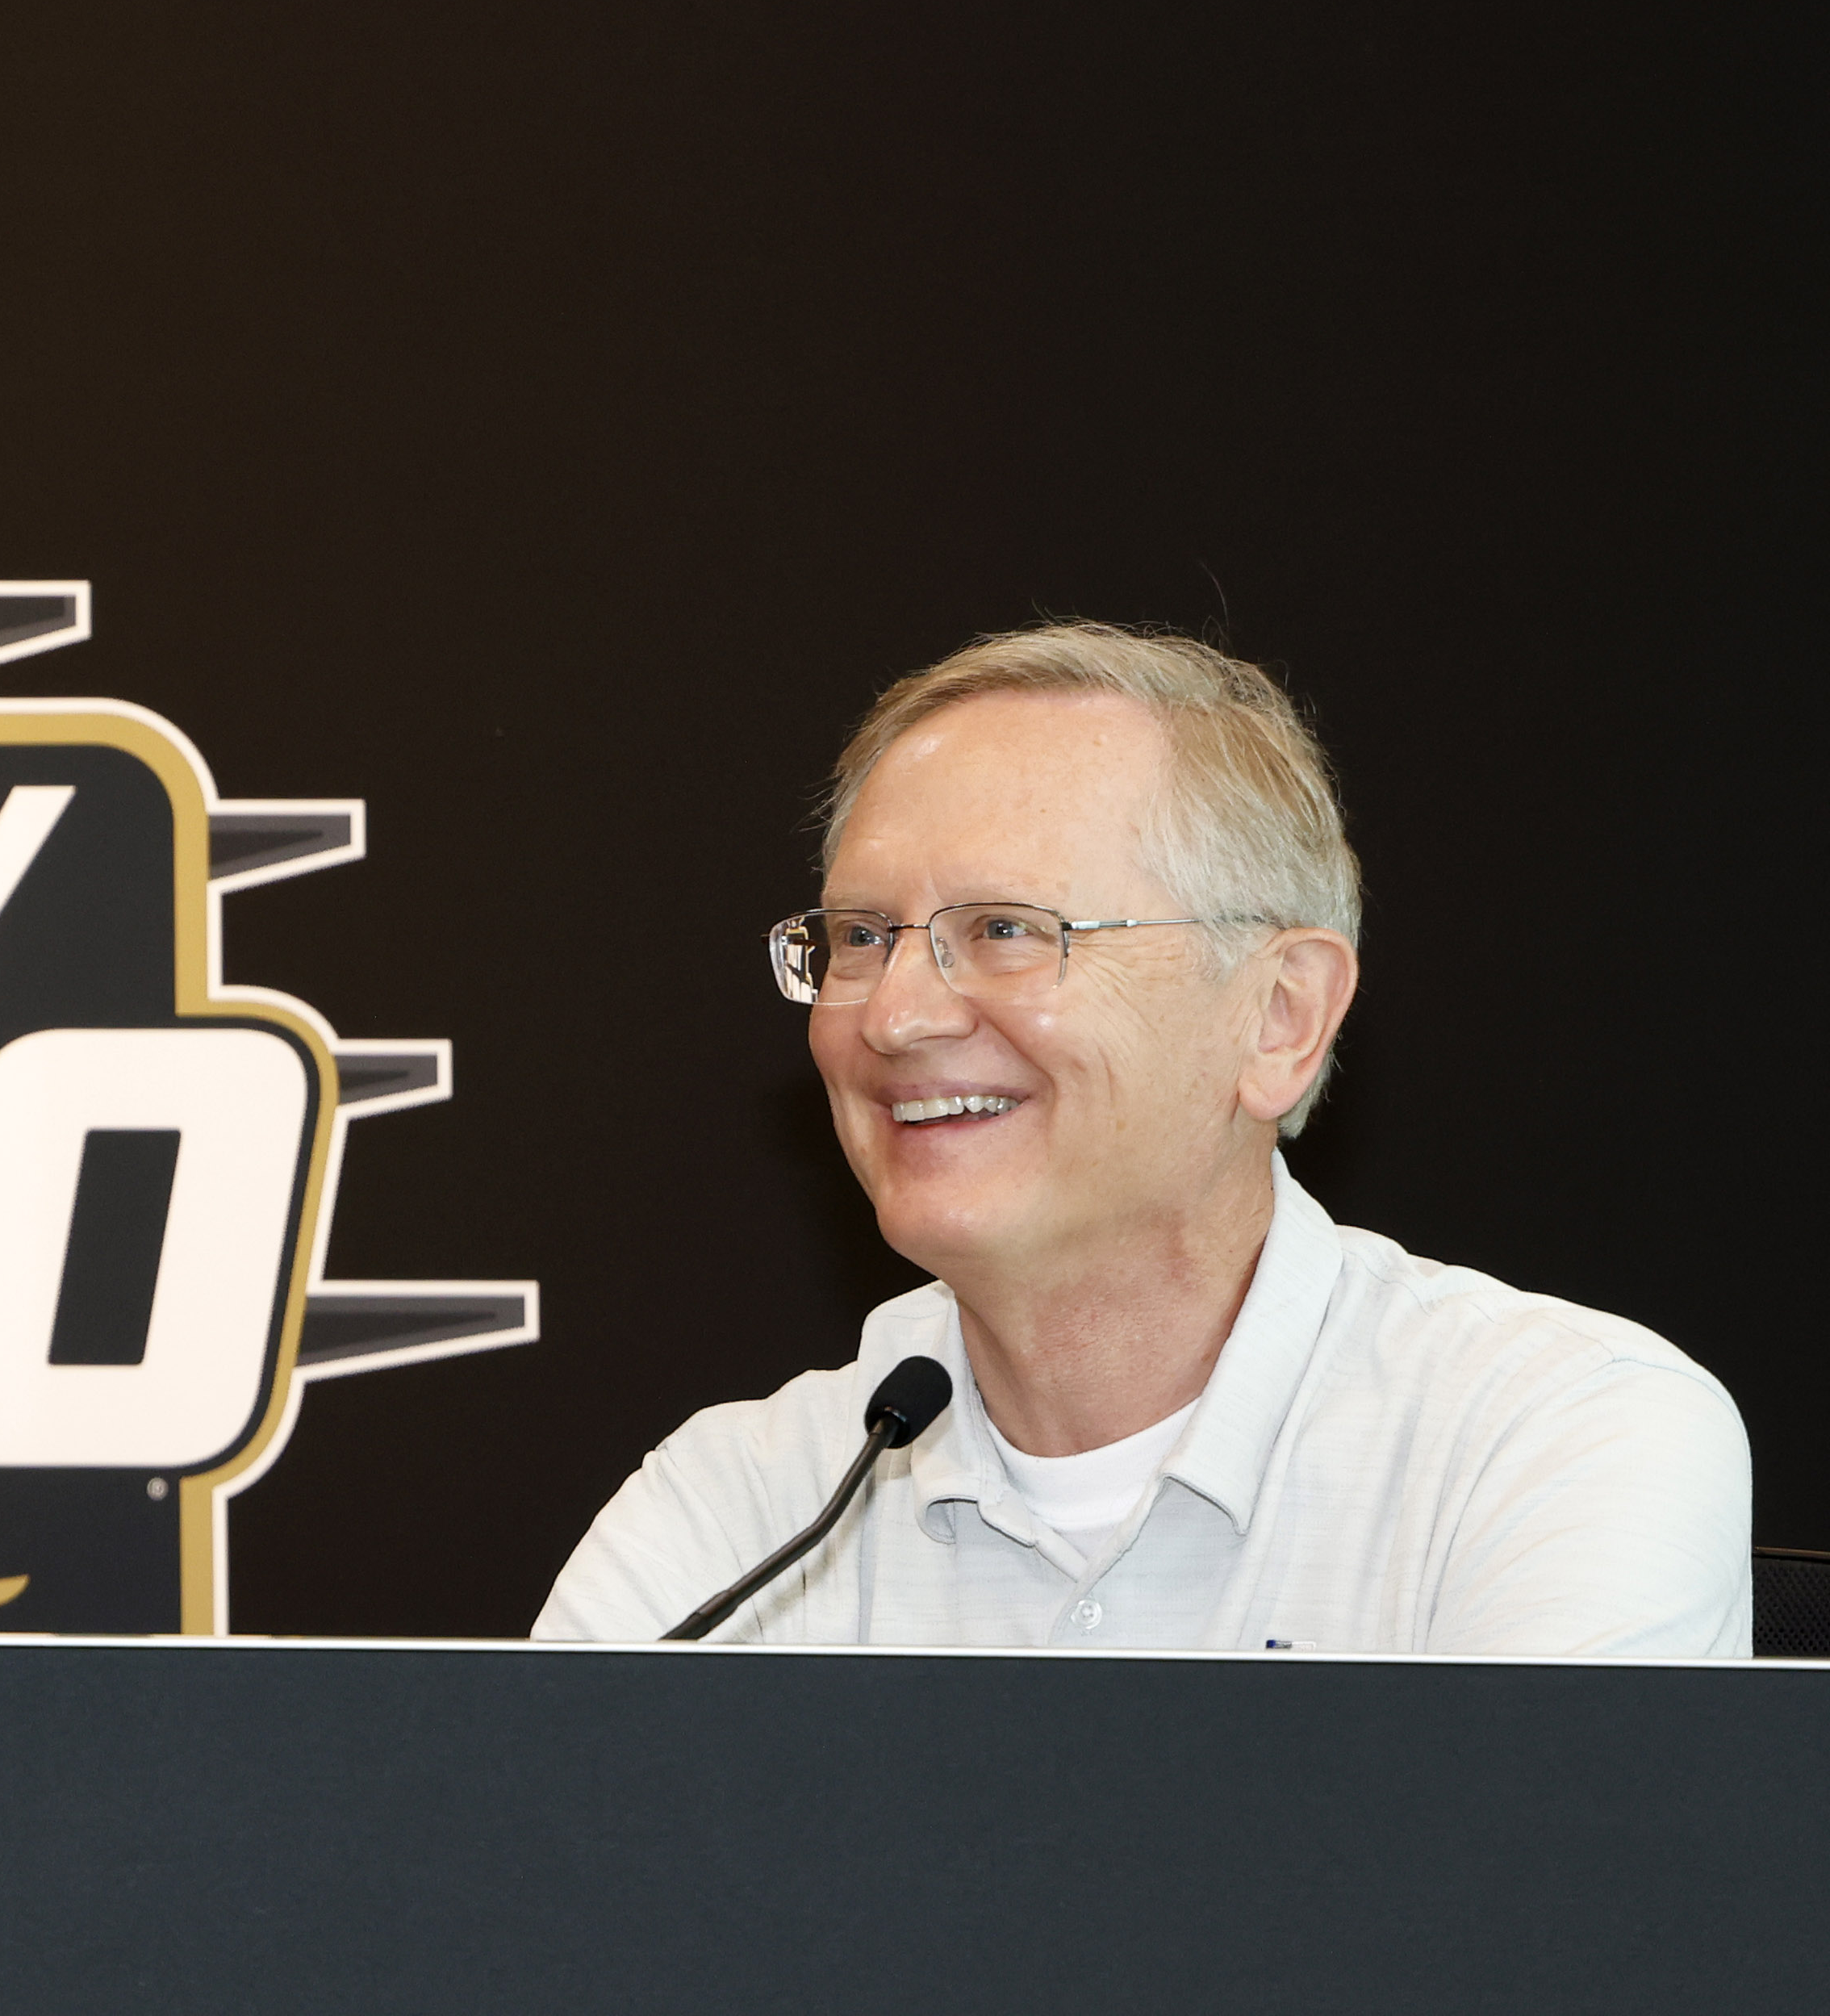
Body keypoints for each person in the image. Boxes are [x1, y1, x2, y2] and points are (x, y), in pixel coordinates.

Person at [537, 622, 1744, 1655]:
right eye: (860, 937)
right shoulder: (735, 1513)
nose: (895, 1016)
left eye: (1005, 928)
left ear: (1277, 1017)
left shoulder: (1546, 1440)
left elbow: (1525, 1924)